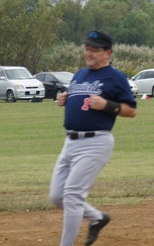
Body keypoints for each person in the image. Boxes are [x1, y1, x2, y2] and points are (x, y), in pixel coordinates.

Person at [50, 30, 137, 246]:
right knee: (57, 196)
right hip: (70, 142)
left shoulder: (115, 77)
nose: (89, 53)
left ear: (108, 53)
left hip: (96, 142)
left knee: (71, 195)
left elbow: (131, 110)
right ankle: (97, 218)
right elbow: (79, 98)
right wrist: (65, 98)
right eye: (87, 48)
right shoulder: (79, 74)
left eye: (95, 50)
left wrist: (107, 105)